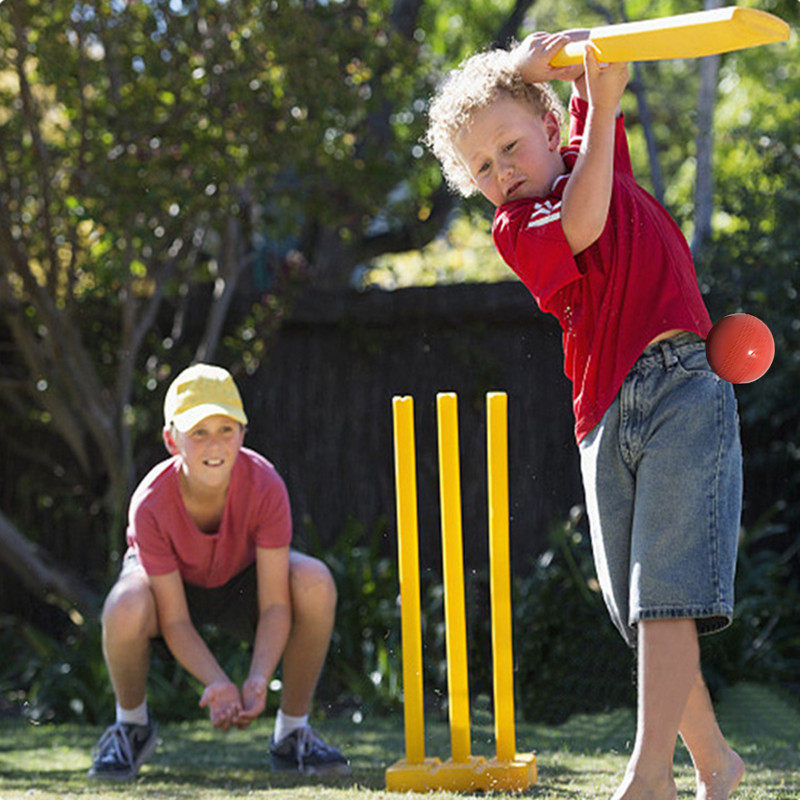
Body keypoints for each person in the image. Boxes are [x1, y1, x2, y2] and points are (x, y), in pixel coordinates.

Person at [426, 31, 744, 800]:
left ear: (549, 126)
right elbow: (584, 222)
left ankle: (648, 777)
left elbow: (587, 105)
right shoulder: (517, 226)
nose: (502, 171)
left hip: (681, 387)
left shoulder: (593, 154)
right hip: (602, 415)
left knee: (665, 596)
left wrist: (557, 81)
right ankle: (716, 764)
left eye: (510, 147)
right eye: (482, 168)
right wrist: (590, 108)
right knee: (638, 609)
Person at [88, 363, 349, 781]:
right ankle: (132, 726)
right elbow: (175, 619)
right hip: (168, 593)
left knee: (314, 581)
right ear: (172, 440)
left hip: (241, 584)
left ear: (242, 433)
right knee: (123, 605)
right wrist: (218, 683)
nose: (215, 444)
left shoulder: (265, 484)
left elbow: (275, 605)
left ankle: (292, 734)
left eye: (226, 429)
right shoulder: (150, 502)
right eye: (198, 432)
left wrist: (258, 679)